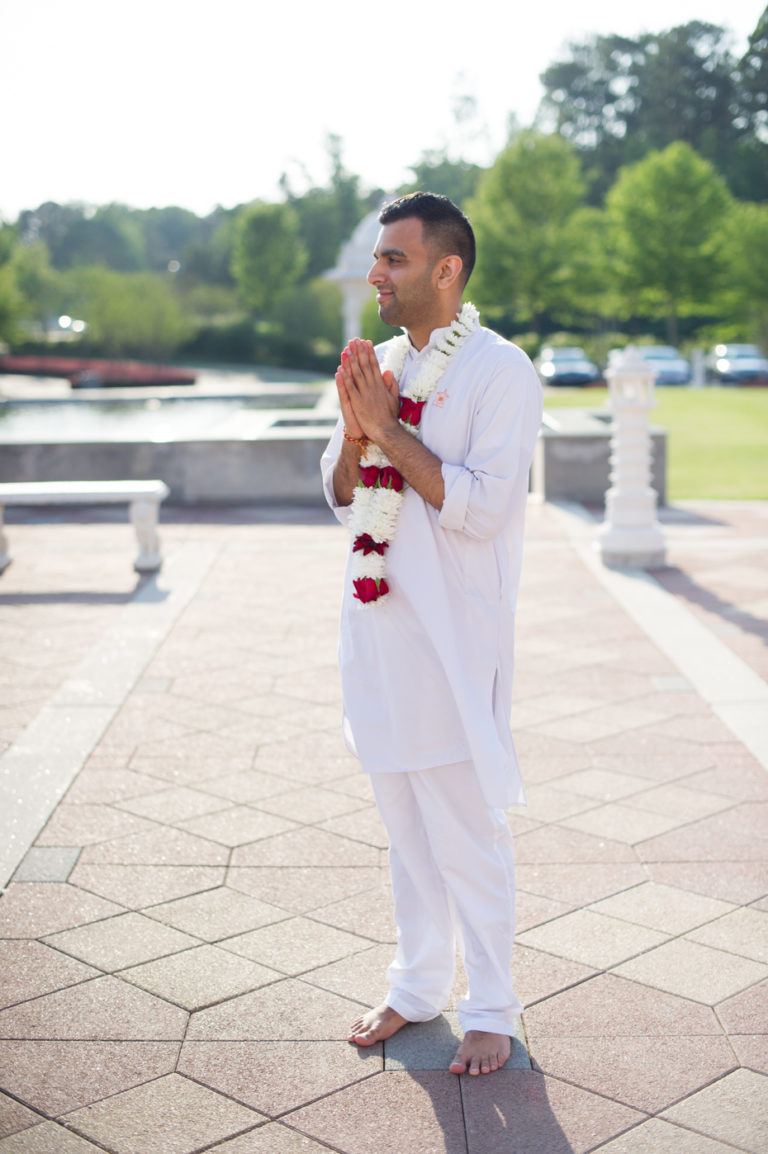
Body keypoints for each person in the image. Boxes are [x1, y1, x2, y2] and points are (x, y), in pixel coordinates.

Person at [320, 192, 542, 1076]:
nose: (375, 273)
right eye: (377, 258)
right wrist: (353, 431)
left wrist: (388, 431)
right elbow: (342, 495)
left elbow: (484, 508)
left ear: (447, 270)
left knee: (464, 829)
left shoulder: (500, 371)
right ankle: (416, 986)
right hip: (375, 632)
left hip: (453, 639)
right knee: (404, 830)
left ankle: (491, 1004)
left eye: (395, 260)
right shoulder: (375, 363)